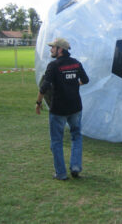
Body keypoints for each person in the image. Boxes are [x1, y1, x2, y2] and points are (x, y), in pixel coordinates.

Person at [35, 37, 89, 180]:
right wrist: (74, 84)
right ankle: (76, 167)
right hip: (76, 108)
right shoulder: (76, 64)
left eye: (53, 47)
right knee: (76, 137)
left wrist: (38, 103)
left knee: (56, 141)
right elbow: (85, 80)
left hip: (58, 110)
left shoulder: (53, 66)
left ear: (60, 50)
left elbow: (44, 87)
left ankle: (61, 173)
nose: (51, 49)